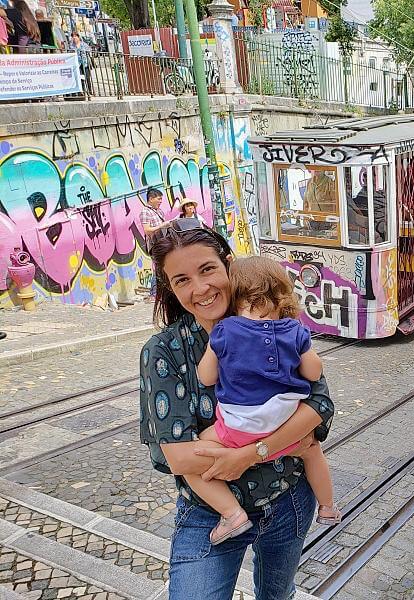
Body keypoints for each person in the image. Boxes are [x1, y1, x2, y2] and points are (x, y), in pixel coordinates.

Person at [139, 219, 334, 599]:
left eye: (208, 269)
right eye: (182, 280)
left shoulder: (275, 324)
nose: (200, 288)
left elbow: (319, 407)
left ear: (228, 265)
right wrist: (285, 442)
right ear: (170, 288)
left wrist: (248, 454)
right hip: (207, 513)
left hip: (287, 498)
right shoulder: (164, 351)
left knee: (278, 595)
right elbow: (176, 457)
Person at [192, 256, 340, 544]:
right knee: (312, 451)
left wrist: (214, 344)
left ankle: (232, 514)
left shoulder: (225, 330)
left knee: (195, 454)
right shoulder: (295, 330)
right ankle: (328, 507)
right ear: (280, 294)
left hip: (239, 427)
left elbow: (206, 377)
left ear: (234, 298)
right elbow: (313, 371)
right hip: (287, 422)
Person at [139, 187, 170, 302]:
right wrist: (163, 225)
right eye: (159, 199)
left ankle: (160, 292)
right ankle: (154, 293)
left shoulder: (158, 211)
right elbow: (147, 230)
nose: (161, 201)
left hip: (163, 242)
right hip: (154, 244)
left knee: (163, 267)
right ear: (151, 199)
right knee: (158, 267)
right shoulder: (145, 212)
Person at [70, 31, 92, 95]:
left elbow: (89, 51)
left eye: (75, 36)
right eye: (73, 37)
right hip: (77, 64)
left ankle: (90, 91)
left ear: (78, 37)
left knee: (87, 77)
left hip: (85, 63)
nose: (74, 38)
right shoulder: (72, 46)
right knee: (80, 77)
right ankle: (82, 91)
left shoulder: (84, 44)